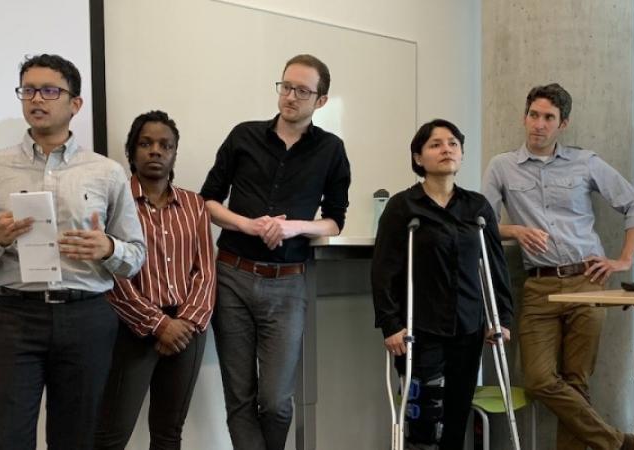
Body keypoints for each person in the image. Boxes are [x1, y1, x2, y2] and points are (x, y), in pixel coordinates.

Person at [0, 54, 146, 450]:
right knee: (6, 439)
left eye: (49, 90)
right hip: (15, 318)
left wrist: (108, 247)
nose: (36, 98)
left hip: (86, 316)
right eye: (28, 90)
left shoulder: (105, 172)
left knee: (77, 440)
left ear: (75, 104)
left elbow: (135, 255)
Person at [482, 83, 634, 450]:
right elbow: (482, 223)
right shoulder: (502, 166)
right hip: (539, 286)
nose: (539, 124)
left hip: (586, 281)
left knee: (576, 381)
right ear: (524, 117)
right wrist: (515, 230)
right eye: (534, 115)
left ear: (563, 123)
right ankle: (618, 443)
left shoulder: (585, 162)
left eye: (549, 118)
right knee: (538, 379)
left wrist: (624, 259)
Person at [199, 54, 351, 450]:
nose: (291, 97)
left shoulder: (331, 149)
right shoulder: (243, 136)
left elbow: (335, 220)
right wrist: (248, 224)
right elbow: (208, 201)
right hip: (231, 276)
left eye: (303, 91)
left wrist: (292, 227)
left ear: (320, 100)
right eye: (286, 86)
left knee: (276, 401)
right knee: (240, 398)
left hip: (287, 284)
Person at [372, 119, 514, 450]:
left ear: (462, 154)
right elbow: (384, 271)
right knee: (424, 415)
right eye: (435, 144)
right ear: (419, 157)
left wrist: (501, 319)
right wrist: (390, 324)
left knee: (456, 412)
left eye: (452, 143)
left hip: (468, 326)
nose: (446, 149)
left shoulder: (476, 207)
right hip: (418, 328)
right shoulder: (402, 207)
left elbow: (494, 266)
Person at [94, 111, 215, 450]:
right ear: (131, 151)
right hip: (131, 329)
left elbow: (205, 271)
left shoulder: (195, 205)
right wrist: (159, 325)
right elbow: (111, 274)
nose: (156, 151)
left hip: (187, 331)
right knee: (111, 433)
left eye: (166, 145)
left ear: (175, 153)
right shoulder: (113, 203)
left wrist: (185, 323)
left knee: (168, 433)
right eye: (146, 143)